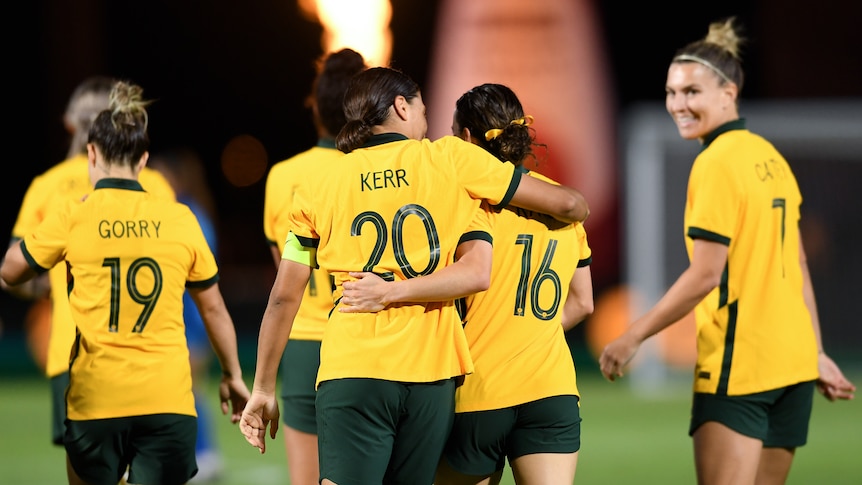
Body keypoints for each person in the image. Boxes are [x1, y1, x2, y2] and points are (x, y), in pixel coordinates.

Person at [239, 66, 589, 485]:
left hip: (354, 365)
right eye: (422, 104)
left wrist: (261, 388)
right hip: (431, 373)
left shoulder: (320, 183)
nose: (427, 115)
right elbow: (562, 211)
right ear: (402, 106)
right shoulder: (450, 159)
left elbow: (283, 296)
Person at [597, 17, 856, 485]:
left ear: (728, 94)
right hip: (793, 368)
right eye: (672, 92)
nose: (678, 104)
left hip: (742, 368)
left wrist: (634, 334)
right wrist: (814, 351)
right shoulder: (770, 157)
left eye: (691, 92)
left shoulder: (715, 164)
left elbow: (704, 275)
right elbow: (795, 264)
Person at [338, 83, 595, 485]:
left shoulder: (469, 204)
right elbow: (583, 304)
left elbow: (466, 274)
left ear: (468, 140)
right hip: (551, 390)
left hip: (478, 392)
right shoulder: (562, 207)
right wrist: (529, 335)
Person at [0, 80, 250, 485]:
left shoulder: (71, 214)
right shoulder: (179, 216)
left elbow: (10, 270)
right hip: (167, 399)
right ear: (144, 160)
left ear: (92, 154)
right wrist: (232, 375)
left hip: (96, 400)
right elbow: (214, 307)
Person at [1, 76, 176, 453]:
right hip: (151, 358)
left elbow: (11, 274)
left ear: (70, 124)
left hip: (73, 354)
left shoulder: (47, 185)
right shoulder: (157, 184)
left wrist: (46, 285)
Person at [261, 47, 367, 485]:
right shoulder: (376, 170)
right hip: (367, 341)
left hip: (304, 344)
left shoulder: (284, 176)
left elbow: (286, 271)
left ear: (316, 108)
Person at [148, 147, 224, 483]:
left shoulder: (190, 216)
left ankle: (204, 454)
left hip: (190, 321)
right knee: (177, 391)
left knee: (190, 390)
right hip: (174, 320)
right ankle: (195, 455)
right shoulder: (174, 215)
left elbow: (197, 275)